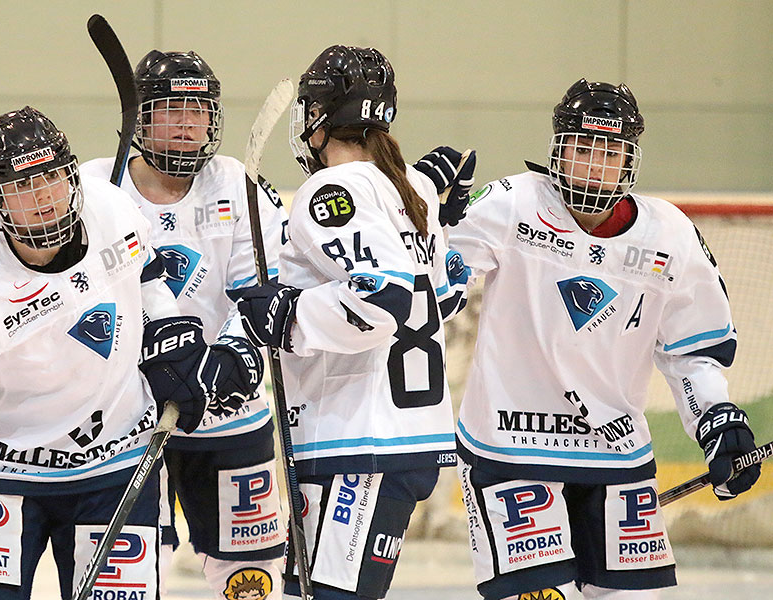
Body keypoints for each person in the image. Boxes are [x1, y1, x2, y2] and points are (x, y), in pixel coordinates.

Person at [0, 106, 255, 599]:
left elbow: (148, 274)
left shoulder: (110, 208)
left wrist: (173, 341)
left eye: (51, 178)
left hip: (116, 466)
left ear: (71, 175)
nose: (43, 199)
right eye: (22, 187)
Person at [447, 79, 762, 599]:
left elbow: (691, 351)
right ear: (558, 151)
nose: (595, 165)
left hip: (615, 454)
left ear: (629, 160)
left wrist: (717, 421)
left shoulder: (670, 235)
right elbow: (435, 295)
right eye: (582, 148)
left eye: (610, 151)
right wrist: (435, 229)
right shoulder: (510, 204)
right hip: (510, 448)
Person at [235, 45, 475, 600]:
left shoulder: (334, 189)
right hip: (397, 440)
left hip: (359, 442)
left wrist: (286, 314)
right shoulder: (408, 189)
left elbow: (383, 301)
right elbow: (447, 295)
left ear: (322, 116)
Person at [80, 50, 289, 600]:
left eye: (198, 110)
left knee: (251, 575)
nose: (187, 123)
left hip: (227, 407)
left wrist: (232, 359)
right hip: (124, 419)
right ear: (140, 118)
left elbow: (261, 293)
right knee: (123, 581)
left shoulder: (237, 185)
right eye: (172, 110)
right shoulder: (93, 189)